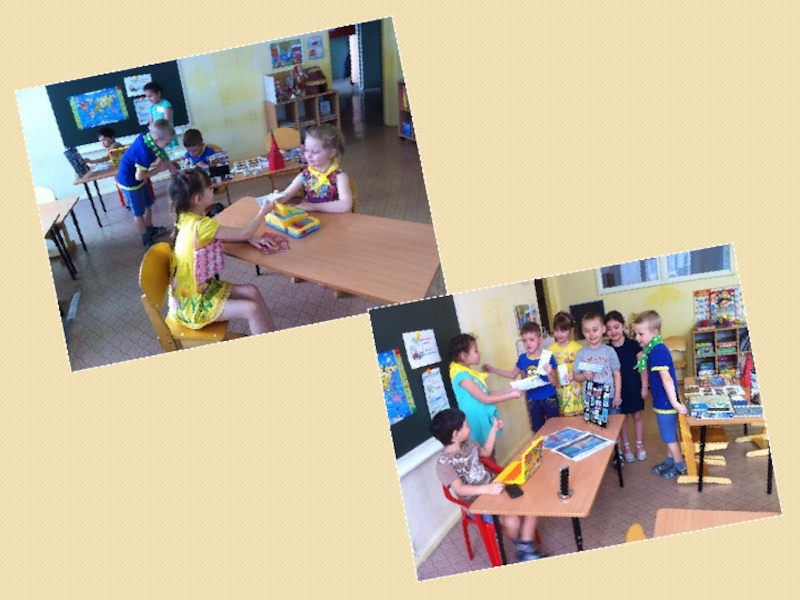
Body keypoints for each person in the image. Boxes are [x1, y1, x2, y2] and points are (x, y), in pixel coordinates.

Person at [167, 167, 277, 335]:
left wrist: (246, 238)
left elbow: (227, 235)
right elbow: (245, 232)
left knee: (252, 291)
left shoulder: (185, 217)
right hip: (192, 305)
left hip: (195, 290)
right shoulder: (202, 225)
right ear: (198, 199)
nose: (213, 190)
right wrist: (263, 212)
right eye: (209, 188)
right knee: (251, 309)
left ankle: (272, 334)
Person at [431, 408, 545, 562]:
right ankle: (523, 546)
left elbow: (485, 452)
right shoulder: (445, 463)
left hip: (494, 487)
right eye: (465, 425)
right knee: (512, 521)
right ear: (455, 434)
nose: (469, 427)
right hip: (476, 503)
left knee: (533, 502)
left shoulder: (468, 444)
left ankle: (524, 547)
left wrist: (493, 430)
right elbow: (460, 489)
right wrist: (487, 489)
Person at [632, 310, 688, 479]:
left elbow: (667, 379)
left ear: (654, 332)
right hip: (662, 401)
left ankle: (680, 465)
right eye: (635, 334)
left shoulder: (657, 351)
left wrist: (675, 403)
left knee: (669, 437)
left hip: (665, 403)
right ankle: (670, 461)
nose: (637, 338)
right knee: (669, 434)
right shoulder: (653, 349)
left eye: (641, 334)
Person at [448, 333, 522, 447]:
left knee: (490, 448)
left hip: (482, 416)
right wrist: (510, 396)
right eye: (476, 351)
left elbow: (485, 393)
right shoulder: (461, 376)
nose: (479, 353)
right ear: (463, 355)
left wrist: (508, 391)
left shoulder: (468, 373)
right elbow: (485, 399)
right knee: (485, 451)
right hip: (476, 420)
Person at [484, 322, 559, 434]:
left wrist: (549, 373)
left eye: (531, 339)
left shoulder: (547, 356)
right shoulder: (522, 358)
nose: (528, 343)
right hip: (532, 400)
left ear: (540, 339)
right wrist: (493, 369)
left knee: (555, 428)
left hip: (549, 398)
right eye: (524, 341)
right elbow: (512, 374)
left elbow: (554, 383)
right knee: (538, 430)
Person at [116, 119, 179, 248]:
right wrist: (159, 169)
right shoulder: (145, 153)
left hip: (138, 179)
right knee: (138, 212)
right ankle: (145, 238)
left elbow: (162, 153)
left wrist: (174, 170)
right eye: (167, 143)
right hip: (130, 182)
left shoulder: (148, 136)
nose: (168, 145)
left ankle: (150, 228)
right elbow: (139, 176)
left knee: (148, 204)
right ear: (157, 140)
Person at [572, 312, 622, 463]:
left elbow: (617, 374)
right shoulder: (581, 354)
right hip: (592, 398)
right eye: (587, 331)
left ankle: (618, 454)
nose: (591, 334)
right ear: (583, 332)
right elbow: (576, 376)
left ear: (603, 329)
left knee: (614, 428)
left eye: (595, 330)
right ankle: (601, 456)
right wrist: (583, 376)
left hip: (610, 396)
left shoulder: (609, 351)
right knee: (595, 429)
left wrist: (617, 395)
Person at [274, 124, 353, 213]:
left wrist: (313, 206)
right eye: (306, 150)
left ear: (331, 153)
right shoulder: (305, 175)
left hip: (337, 219)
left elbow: (345, 205)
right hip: (315, 218)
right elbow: (287, 194)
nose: (308, 155)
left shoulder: (339, 177)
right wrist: (278, 198)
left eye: (314, 152)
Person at [605, 311, 649, 462]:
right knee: (622, 419)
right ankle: (626, 446)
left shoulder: (633, 344)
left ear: (623, 326)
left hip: (634, 386)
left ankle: (639, 444)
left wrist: (644, 387)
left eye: (616, 327)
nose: (613, 331)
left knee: (637, 416)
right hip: (618, 390)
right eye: (609, 329)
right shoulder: (607, 349)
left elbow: (642, 367)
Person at [548, 311, 584, 417]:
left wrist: (574, 375)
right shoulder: (550, 350)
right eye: (556, 330)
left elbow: (584, 370)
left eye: (563, 330)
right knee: (564, 419)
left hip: (576, 387)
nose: (559, 334)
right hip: (560, 389)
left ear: (570, 330)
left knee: (579, 418)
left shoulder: (578, 348)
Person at [144, 82, 179, 151]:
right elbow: (151, 124)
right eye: (147, 97)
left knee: (172, 152)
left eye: (151, 96)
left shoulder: (166, 104)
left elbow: (166, 121)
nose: (149, 99)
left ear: (159, 94)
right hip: (158, 138)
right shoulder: (152, 107)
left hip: (167, 135)